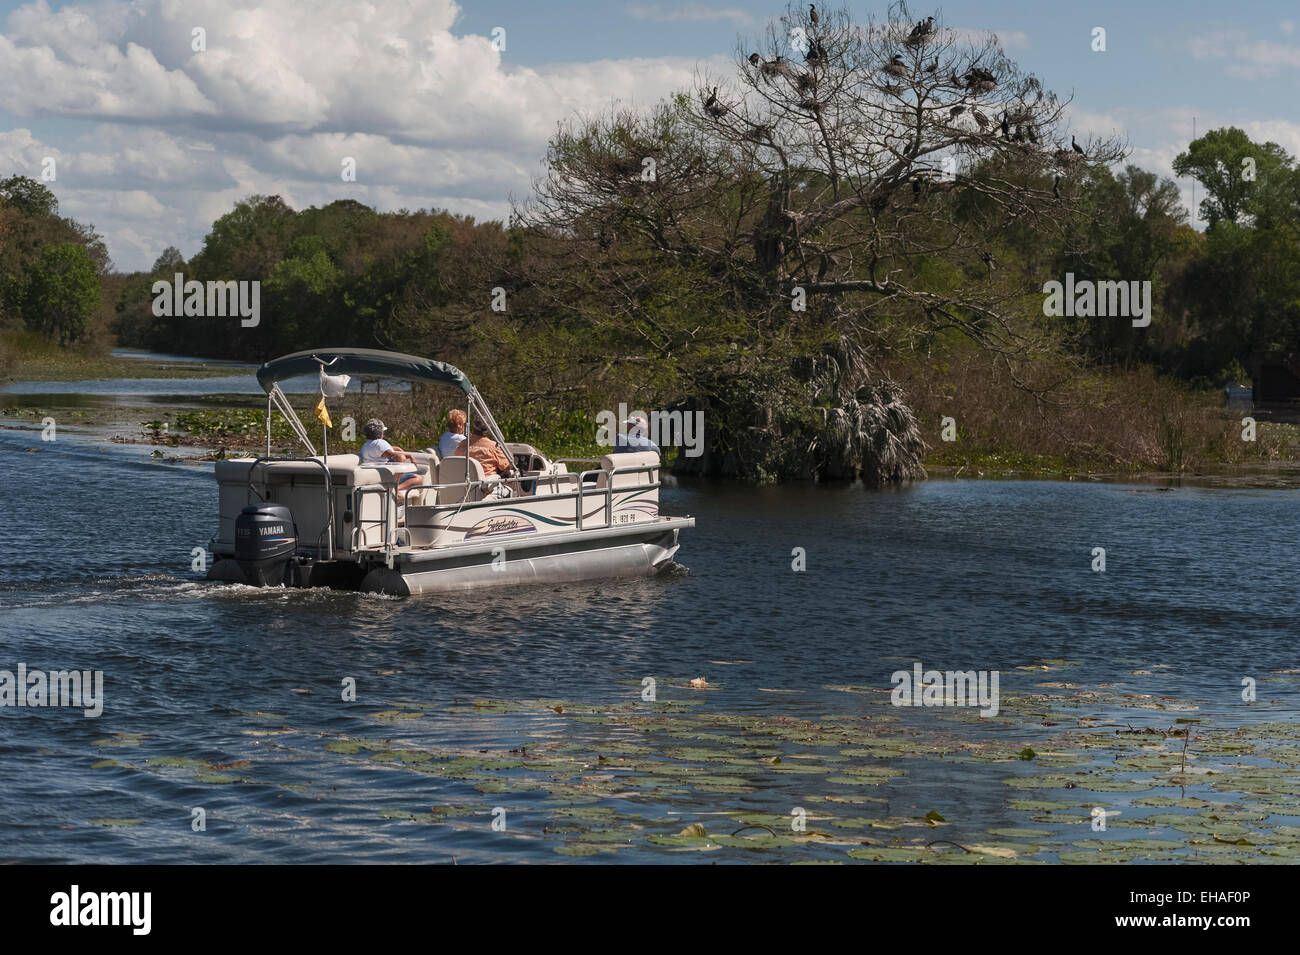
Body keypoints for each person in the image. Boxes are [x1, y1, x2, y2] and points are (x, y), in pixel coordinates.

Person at [453, 421, 517, 497]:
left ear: (473, 429)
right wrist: (511, 456)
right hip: (486, 489)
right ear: (488, 431)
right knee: (510, 490)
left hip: (464, 489)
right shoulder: (493, 446)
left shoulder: (462, 445)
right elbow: (506, 466)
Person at [359, 419, 423, 495]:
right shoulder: (379, 443)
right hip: (386, 475)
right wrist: (410, 456)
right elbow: (392, 455)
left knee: (401, 458)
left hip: (375, 473)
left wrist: (398, 449)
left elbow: (384, 450)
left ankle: (395, 488)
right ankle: (395, 488)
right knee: (419, 478)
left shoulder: (367, 444)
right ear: (380, 433)